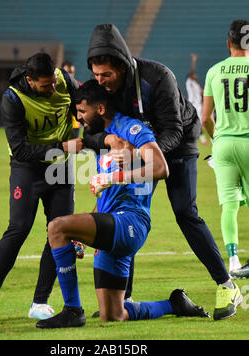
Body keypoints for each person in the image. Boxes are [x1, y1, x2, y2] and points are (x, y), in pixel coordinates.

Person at [83, 24, 241, 321]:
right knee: (125, 212)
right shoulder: (106, 92)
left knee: (185, 212)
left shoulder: (158, 78)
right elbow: (90, 133)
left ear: (120, 64)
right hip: (139, 150)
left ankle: (227, 285)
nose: (101, 81)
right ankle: (123, 297)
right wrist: (107, 140)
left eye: (106, 75)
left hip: (178, 146)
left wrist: (142, 156)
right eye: (96, 75)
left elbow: (174, 130)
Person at [35, 79, 210, 328]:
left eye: (83, 112)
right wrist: (80, 232)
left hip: (131, 221)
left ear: (101, 109)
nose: (80, 118)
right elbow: (109, 195)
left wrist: (116, 175)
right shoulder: (104, 138)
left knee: (56, 227)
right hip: (112, 224)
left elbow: (161, 167)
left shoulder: (133, 130)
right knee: (113, 314)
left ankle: (72, 310)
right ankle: (174, 304)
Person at [0, 53, 83, 322]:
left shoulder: (63, 80)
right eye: (46, 86)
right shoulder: (12, 99)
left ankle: (40, 302)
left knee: (58, 231)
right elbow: (20, 149)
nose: (52, 89)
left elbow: (83, 107)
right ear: (30, 80)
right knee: (18, 228)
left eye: (54, 83)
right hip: (28, 168)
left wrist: (82, 136)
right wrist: (63, 147)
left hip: (60, 167)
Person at [202, 19, 249, 279]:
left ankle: (232, 260)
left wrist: (216, 140)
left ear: (228, 43)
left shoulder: (214, 71)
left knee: (229, 205)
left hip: (224, 144)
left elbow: (206, 117)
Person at [185, 53, 208, 145]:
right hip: (194, 105)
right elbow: (192, 72)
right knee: (198, 123)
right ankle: (203, 140)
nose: (196, 75)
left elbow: (202, 93)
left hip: (199, 105)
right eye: (194, 75)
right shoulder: (189, 82)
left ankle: (197, 138)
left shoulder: (197, 85)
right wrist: (194, 61)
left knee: (200, 122)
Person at [62, 61, 82, 138]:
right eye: (67, 72)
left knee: (72, 149)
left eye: (71, 72)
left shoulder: (79, 86)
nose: (69, 75)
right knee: (59, 148)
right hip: (60, 126)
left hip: (74, 125)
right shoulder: (55, 88)